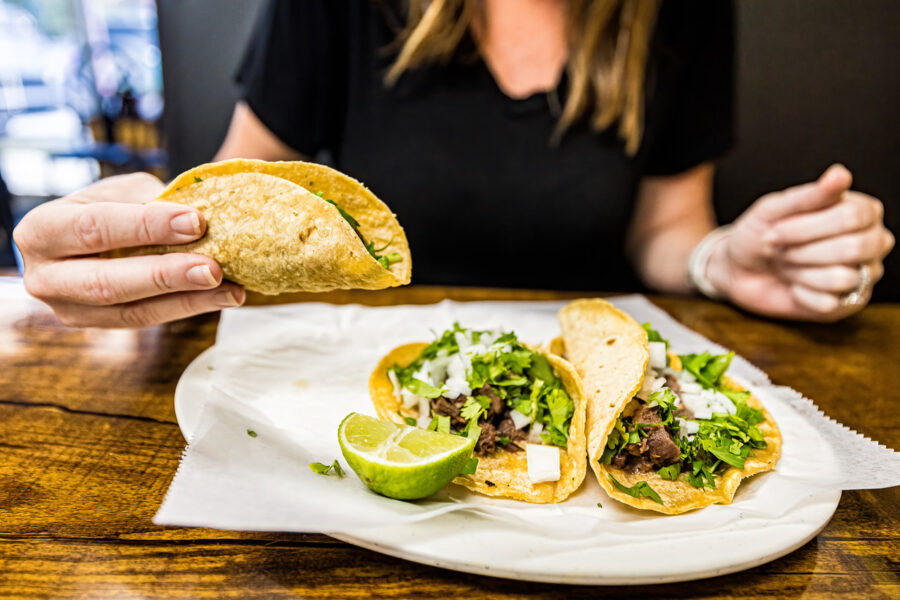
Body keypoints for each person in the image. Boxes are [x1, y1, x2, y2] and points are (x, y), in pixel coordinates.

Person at [12, 0, 894, 328]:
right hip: (347, 372)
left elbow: (667, 227)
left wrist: (720, 259)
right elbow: (239, 199)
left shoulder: (678, 13)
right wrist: (136, 252)